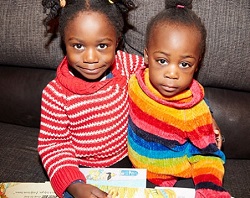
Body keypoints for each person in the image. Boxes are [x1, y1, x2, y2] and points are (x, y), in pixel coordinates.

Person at [38, 0, 142, 197]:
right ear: (64, 42)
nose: (91, 58)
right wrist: (74, 184)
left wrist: (203, 111)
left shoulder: (125, 65)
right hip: (79, 171)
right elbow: (53, 146)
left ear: (117, 40)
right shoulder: (55, 94)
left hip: (129, 162)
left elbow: (160, 78)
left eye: (102, 45)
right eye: (78, 45)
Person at [127, 0, 231, 197]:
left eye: (184, 64)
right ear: (146, 57)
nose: (172, 73)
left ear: (197, 65)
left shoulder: (193, 112)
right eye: (162, 61)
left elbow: (208, 157)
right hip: (136, 172)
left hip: (178, 180)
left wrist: (211, 191)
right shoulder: (135, 81)